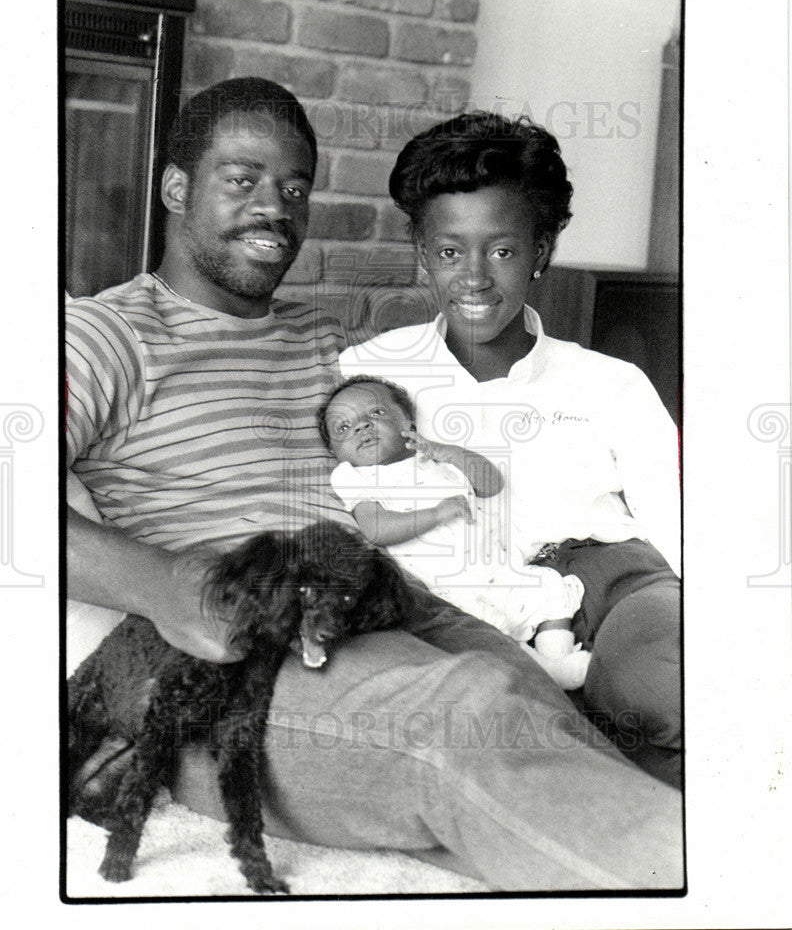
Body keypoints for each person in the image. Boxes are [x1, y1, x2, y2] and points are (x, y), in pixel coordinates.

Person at [67, 77, 683, 892]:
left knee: (541, 716)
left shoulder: (324, 341)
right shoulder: (104, 332)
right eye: (243, 178)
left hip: (384, 599)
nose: (275, 207)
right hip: (242, 638)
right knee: (467, 721)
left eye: (294, 188)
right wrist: (171, 584)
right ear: (175, 188)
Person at [339, 110, 682, 790]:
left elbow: (676, 526)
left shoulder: (609, 383)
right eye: (449, 251)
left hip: (613, 581)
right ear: (421, 251)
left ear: (542, 249)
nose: (474, 277)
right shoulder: (369, 375)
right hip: (459, 591)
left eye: (501, 250)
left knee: (657, 690)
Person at [318, 375, 591, 689]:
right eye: (343, 427)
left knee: (548, 589)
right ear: (335, 453)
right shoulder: (357, 477)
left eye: (375, 414)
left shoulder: (437, 458)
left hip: (498, 569)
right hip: (447, 586)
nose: (361, 427)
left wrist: (446, 452)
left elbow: (492, 484)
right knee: (481, 632)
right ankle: (546, 673)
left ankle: (556, 653)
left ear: (407, 421)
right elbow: (377, 528)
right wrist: (436, 513)